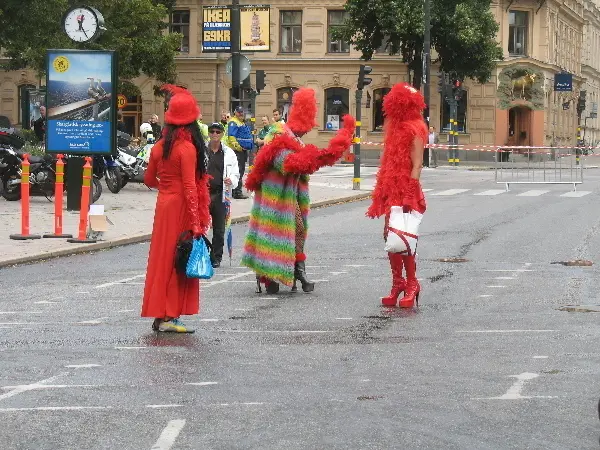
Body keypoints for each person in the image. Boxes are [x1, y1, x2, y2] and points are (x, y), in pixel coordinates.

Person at [241, 88, 356, 294]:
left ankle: (297, 270)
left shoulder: (296, 140)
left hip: (290, 194)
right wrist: (313, 158)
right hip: (274, 196)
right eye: (304, 128)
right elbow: (287, 163)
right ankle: (269, 273)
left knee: (298, 230)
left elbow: (306, 162)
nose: (306, 132)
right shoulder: (278, 136)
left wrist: (336, 148)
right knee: (273, 233)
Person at [141, 85, 211, 333]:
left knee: (162, 259)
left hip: (164, 205)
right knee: (178, 260)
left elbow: (148, 180)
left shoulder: (159, 147)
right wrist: (196, 223)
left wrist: (166, 188)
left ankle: (160, 314)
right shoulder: (187, 149)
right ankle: (170, 316)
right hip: (181, 206)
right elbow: (191, 189)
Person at [366, 83, 427, 309]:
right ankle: (397, 283)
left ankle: (412, 284)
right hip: (392, 190)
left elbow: (418, 164)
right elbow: (389, 163)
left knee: (405, 238)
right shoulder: (394, 127)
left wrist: (410, 195)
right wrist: (383, 191)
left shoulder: (416, 128)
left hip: (407, 190)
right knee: (390, 239)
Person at [206, 122, 240, 268]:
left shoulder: (229, 153)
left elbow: (236, 174)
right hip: (203, 194)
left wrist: (230, 180)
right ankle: (199, 254)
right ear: (208, 133)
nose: (214, 134)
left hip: (220, 194)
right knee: (199, 227)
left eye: (217, 132)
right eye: (212, 131)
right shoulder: (201, 151)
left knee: (219, 229)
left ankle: (216, 257)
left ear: (222, 134)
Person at [227, 106, 253, 199]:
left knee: (240, 170)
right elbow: (231, 137)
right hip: (237, 151)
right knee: (238, 170)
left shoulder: (240, 122)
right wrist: (239, 147)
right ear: (235, 112)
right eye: (239, 112)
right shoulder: (233, 122)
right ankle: (237, 192)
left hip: (242, 151)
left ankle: (236, 191)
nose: (241, 113)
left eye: (242, 112)